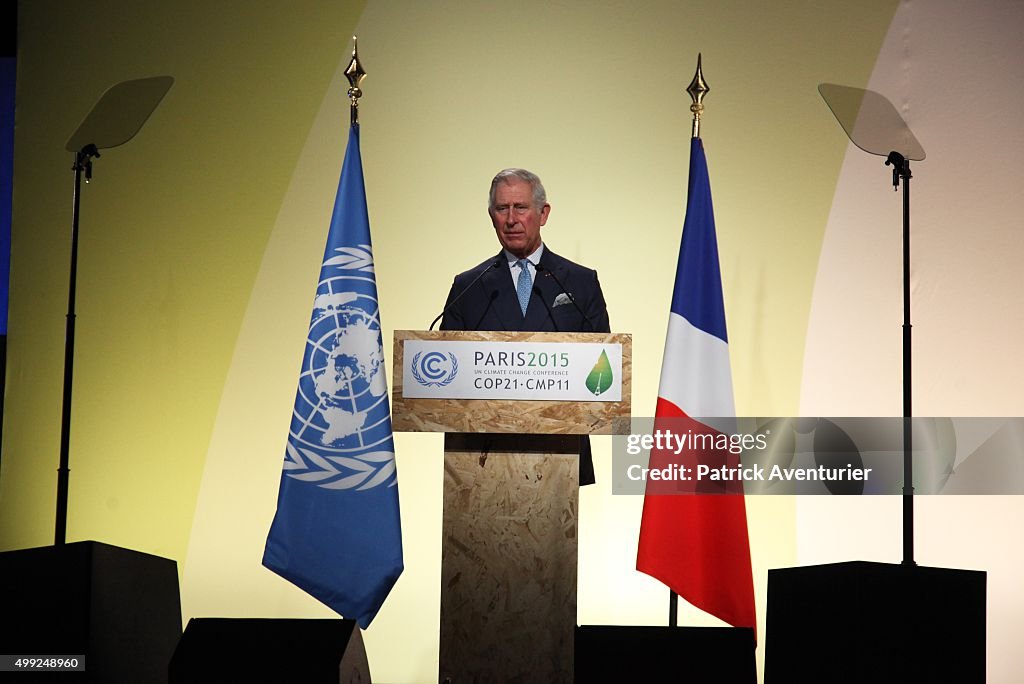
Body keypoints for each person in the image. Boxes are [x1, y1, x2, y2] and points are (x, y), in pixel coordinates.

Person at [440, 168, 610, 484]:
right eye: (502, 209)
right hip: (481, 456)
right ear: (491, 216)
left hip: (559, 452)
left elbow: (601, 367)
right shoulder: (469, 287)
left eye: (521, 207)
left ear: (543, 214)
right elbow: (447, 378)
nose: (511, 219)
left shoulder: (580, 283)